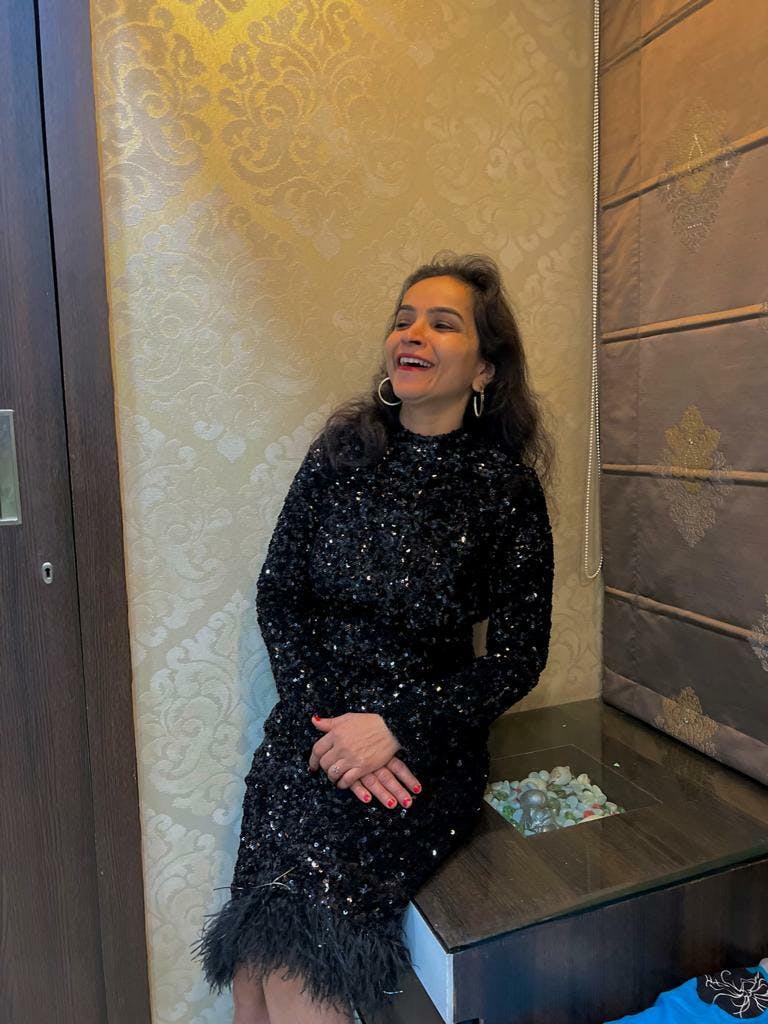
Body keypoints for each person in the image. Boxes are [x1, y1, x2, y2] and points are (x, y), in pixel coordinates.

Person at [191, 251, 555, 1024]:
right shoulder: (340, 454)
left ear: (485, 369)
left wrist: (393, 727)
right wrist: (325, 726)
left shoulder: (504, 488)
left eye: (442, 323)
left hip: (421, 750)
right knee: (251, 966)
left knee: (299, 962)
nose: (412, 333)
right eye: (403, 319)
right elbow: (279, 594)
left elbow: (518, 659)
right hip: (312, 730)